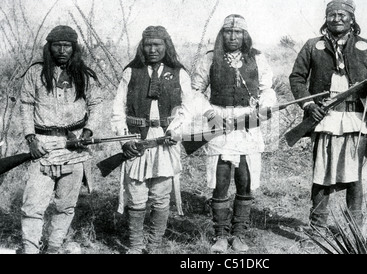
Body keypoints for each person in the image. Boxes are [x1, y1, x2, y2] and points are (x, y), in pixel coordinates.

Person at [289, 0, 367, 234]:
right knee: (321, 174)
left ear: (352, 18)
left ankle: (355, 230)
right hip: (325, 118)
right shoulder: (313, 46)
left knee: (356, 176)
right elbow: (297, 78)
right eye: (332, 14)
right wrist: (308, 104)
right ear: (326, 18)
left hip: (356, 118)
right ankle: (317, 228)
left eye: (343, 14)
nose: (337, 19)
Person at [191, 14, 277, 253]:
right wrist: (210, 114)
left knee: (244, 179)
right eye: (228, 32)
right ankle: (220, 235)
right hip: (219, 122)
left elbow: (267, 90)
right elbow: (195, 91)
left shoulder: (257, 58)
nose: (233, 36)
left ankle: (238, 235)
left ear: (245, 35)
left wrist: (263, 108)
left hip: (248, 123)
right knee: (220, 179)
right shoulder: (210, 58)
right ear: (222, 34)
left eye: (238, 32)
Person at [20, 25, 102, 254]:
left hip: (74, 148)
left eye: (67, 46)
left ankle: (54, 246)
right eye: (57, 45)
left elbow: (97, 104)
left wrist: (88, 131)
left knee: (65, 206)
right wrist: (31, 140)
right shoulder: (35, 73)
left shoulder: (84, 74)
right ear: (49, 47)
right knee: (33, 206)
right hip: (43, 147)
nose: (62, 50)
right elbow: (26, 107)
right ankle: (30, 249)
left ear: (74, 48)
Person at [111, 26, 192, 254]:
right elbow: (117, 109)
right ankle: (136, 247)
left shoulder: (179, 73)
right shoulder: (131, 72)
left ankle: (154, 246)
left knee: (160, 194)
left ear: (166, 46)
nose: (153, 49)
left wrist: (175, 130)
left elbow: (188, 107)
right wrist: (124, 140)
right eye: (148, 45)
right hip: (137, 140)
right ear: (142, 46)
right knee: (136, 196)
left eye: (158, 45)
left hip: (165, 142)